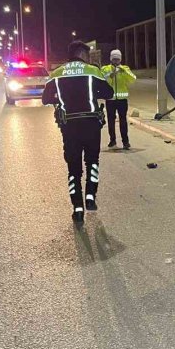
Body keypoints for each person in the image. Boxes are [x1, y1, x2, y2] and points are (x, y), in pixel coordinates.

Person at [42, 41, 114, 224]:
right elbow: (109, 93)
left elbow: (45, 99)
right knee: (92, 162)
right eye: (87, 55)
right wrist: (93, 91)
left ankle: (77, 208)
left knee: (73, 169)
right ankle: (90, 197)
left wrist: (61, 98)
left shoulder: (57, 73)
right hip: (91, 124)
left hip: (69, 127)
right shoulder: (92, 71)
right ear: (82, 54)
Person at [100, 49, 137, 149]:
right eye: (114, 59)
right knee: (111, 121)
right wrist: (110, 75)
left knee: (123, 121)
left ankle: (125, 142)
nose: (116, 61)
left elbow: (133, 79)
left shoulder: (125, 68)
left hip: (122, 100)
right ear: (111, 59)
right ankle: (112, 141)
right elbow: (102, 79)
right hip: (110, 99)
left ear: (120, 59)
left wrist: (123, 71)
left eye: (118, 59)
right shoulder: (106, 69)